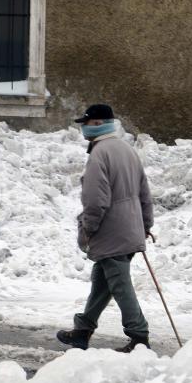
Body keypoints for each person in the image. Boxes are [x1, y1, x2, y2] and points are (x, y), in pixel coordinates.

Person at [57, 104, 154, 353]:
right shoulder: (126, 150)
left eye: (86, 123)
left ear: (98, 124)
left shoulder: (100, 154)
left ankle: (139, 336)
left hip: (112, 231)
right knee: (103, 281)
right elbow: (144, 192)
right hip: (129, 227)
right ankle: (82, 330)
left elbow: (95, 199)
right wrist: (145, 223)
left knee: (120, 284)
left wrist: (89, 227)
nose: (82, 127)